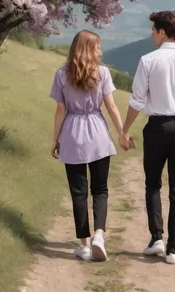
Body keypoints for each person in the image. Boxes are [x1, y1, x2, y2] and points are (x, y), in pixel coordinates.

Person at [119, 11, 175, 265]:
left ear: (161, 32)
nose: (151, 34)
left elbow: (137, 101)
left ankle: (156, 238)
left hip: (156, 128)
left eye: (153, 30)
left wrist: (125, 129)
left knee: (152, 184)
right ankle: (174, 248)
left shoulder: (148, 60)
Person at [49, 30, 125, 262]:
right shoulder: (102, 73)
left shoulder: (61, 75)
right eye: (98, 47)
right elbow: (111, 107)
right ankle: (99, 235)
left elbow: (60, 109)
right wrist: (122, 132)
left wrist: (55, 139)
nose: (101, 51)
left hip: (72, 133)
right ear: (90, 49)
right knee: (100, 189)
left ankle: (83, 245)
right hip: (98, 133)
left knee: (78, 192)